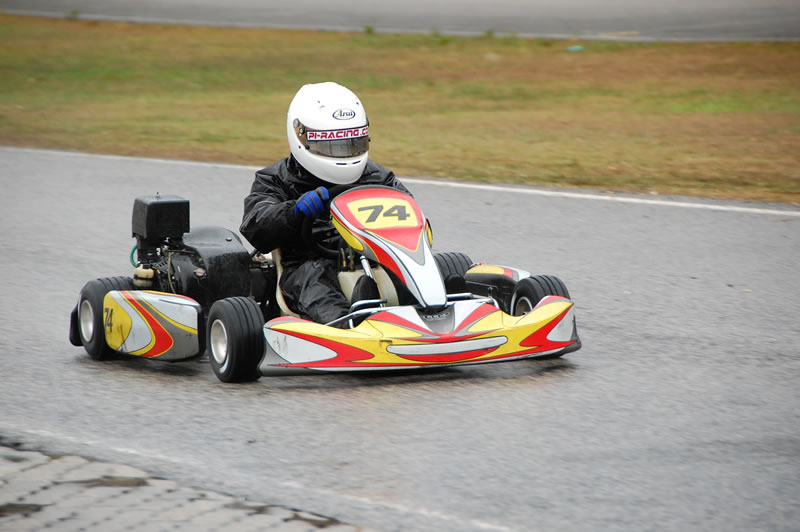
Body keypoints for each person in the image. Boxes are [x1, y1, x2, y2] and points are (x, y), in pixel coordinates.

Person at [240, 82, 410, 324]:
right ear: (301, 136)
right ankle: (348, 326)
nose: (342, 154)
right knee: (315, 278)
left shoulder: (378, 178)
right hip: (307, 265)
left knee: (417, 267)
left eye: (350, 145)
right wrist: (294, 210)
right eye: (331, 146)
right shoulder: (276, 179)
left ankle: (433, 310)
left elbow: (410, 217)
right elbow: (255, 227)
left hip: (376, 259)